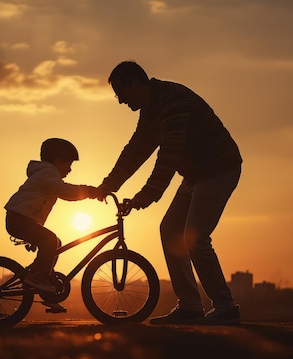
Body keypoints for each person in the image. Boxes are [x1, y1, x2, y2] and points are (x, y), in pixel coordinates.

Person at [97, 61, 243, 325]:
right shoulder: (151, 110)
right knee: (170, 231)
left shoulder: (172, 101)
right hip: (195, 175)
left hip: (219, 170)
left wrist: (146, 194)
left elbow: (169, 154)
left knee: (195, 239)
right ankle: (190, 306)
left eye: (121, 93)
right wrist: (109, 184)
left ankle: (226, 307)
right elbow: (136, 150)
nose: (120, 101)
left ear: (136, 83)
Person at [5, 138, 99, 298]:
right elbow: (65, 192)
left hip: (21, 219)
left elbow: (63, 190)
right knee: (49, 240)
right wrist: (89, 191)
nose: (70, 169)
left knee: (55, 243)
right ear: (57, 160)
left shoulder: (47, 174)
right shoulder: (47, 173)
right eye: (68, 164)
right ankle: (38, 277)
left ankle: (45, 280)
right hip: (19, 220)